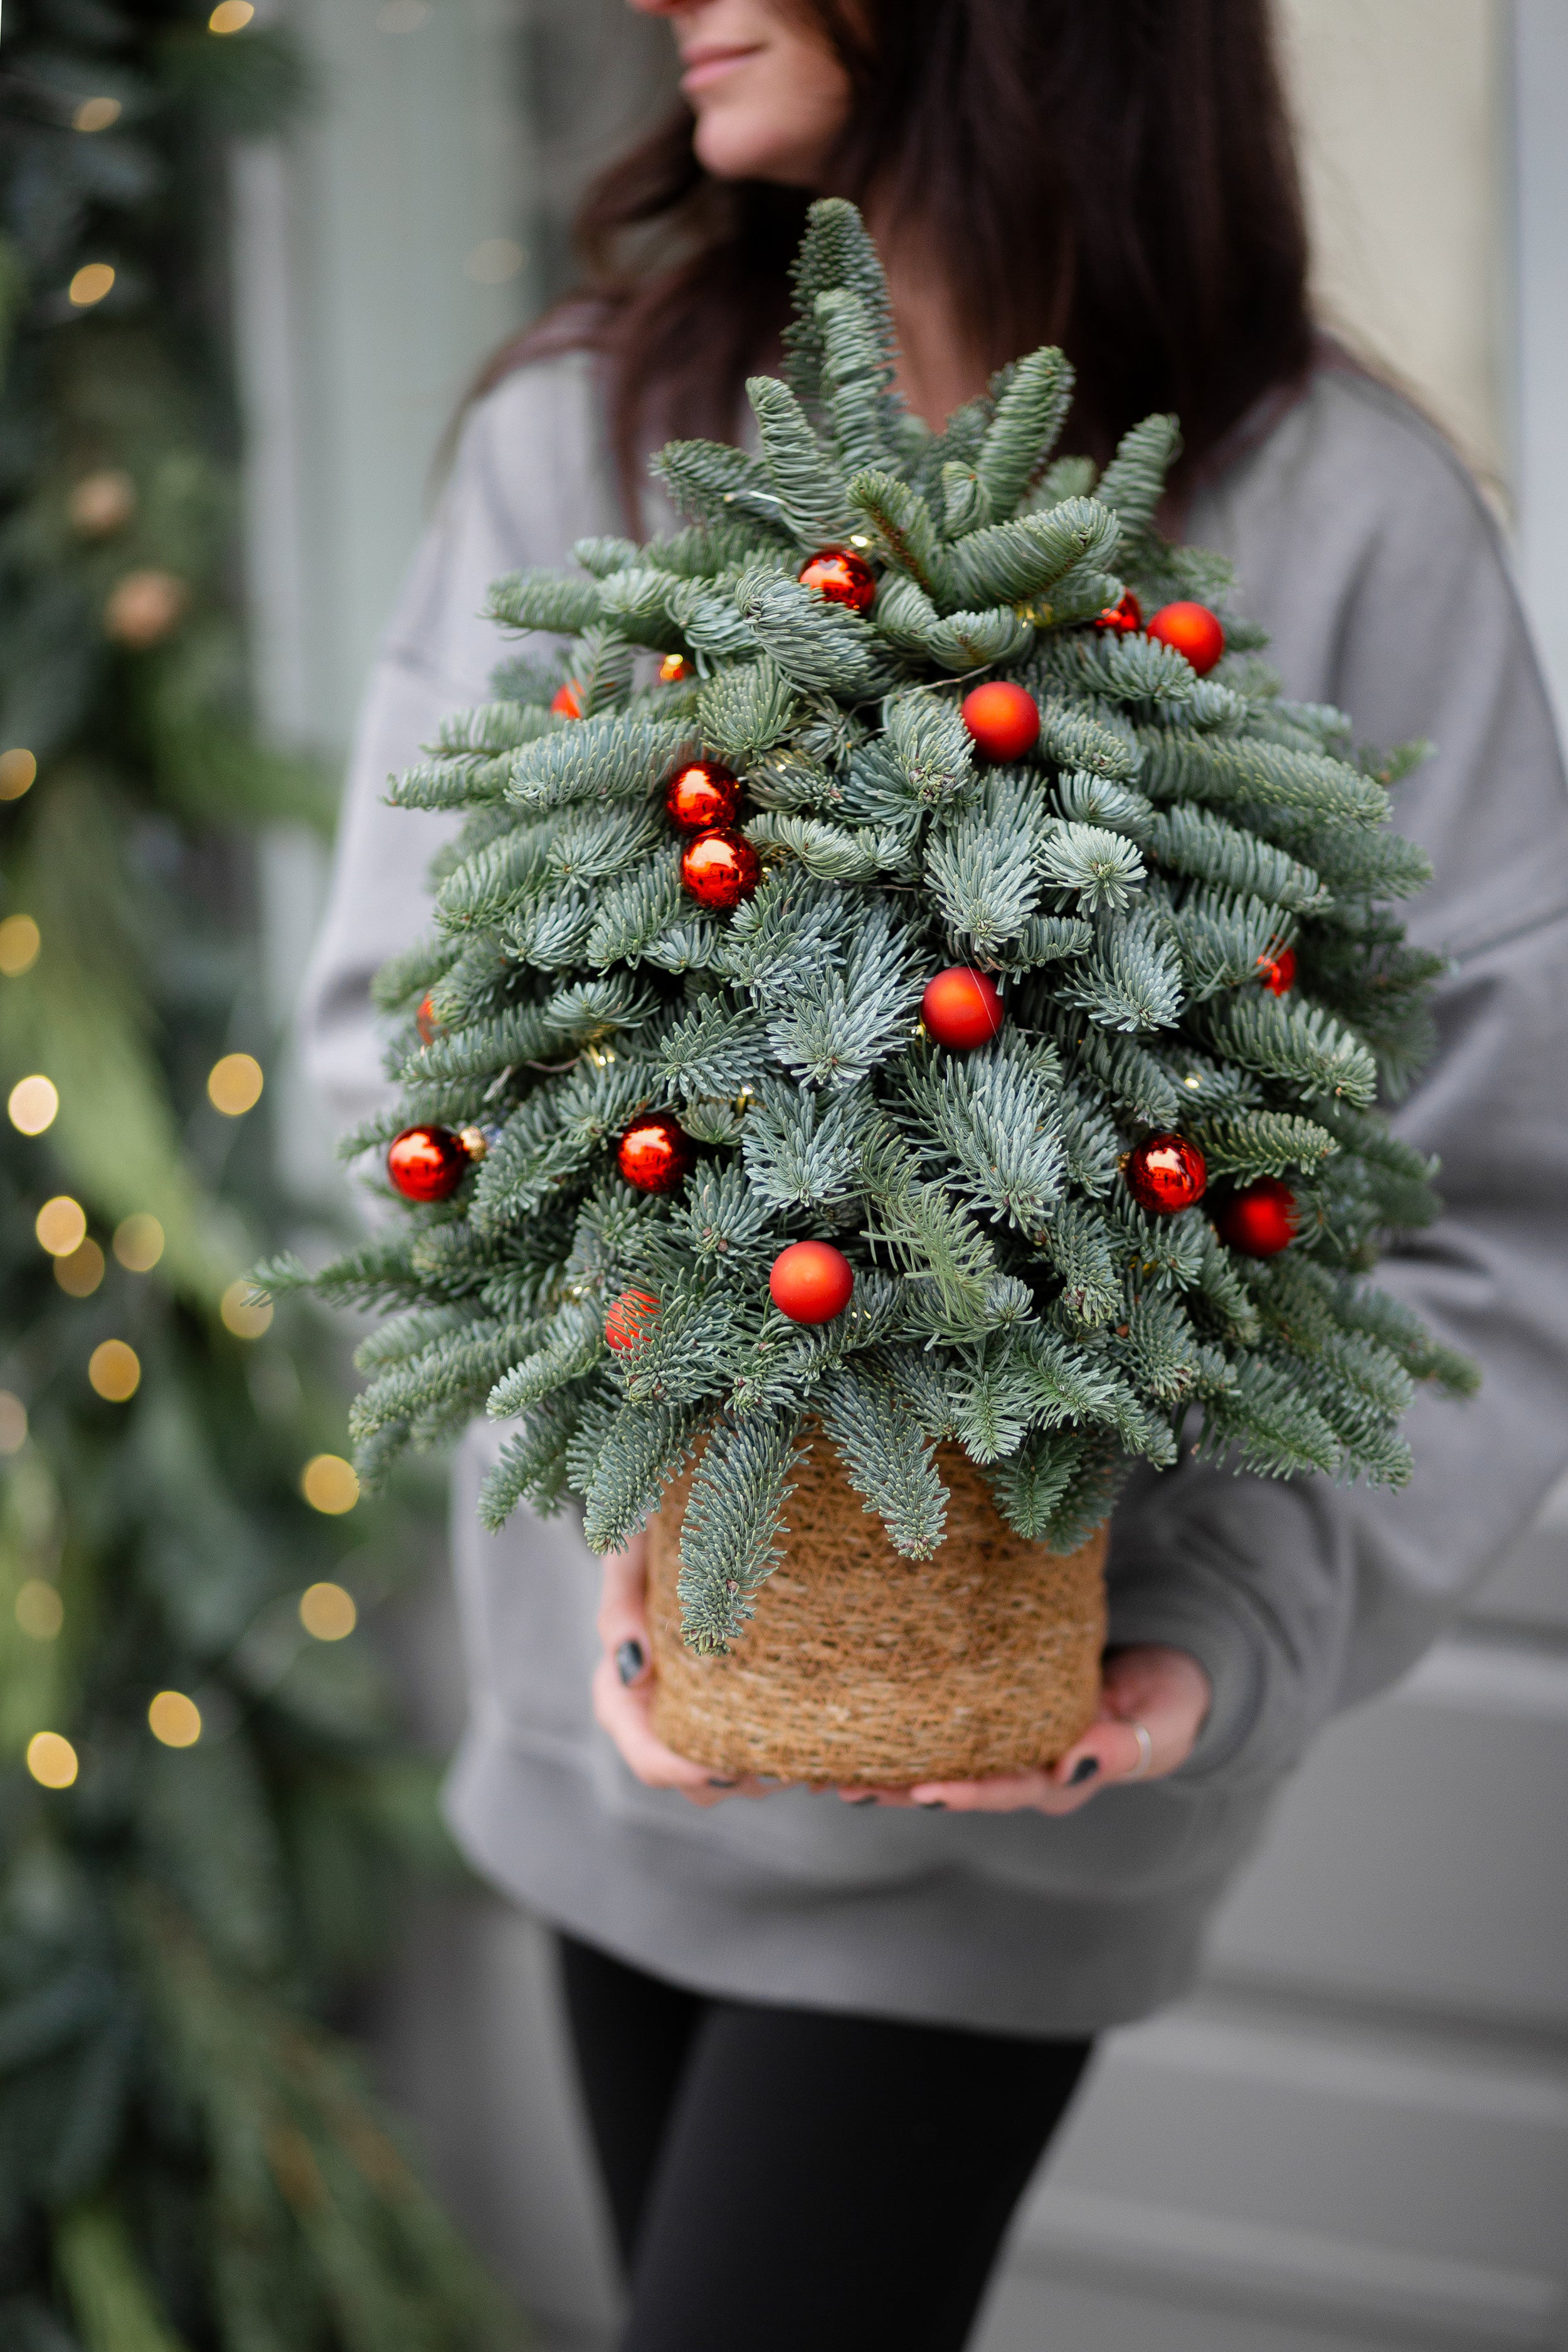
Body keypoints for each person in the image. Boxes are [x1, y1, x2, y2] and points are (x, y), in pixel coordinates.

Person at [299, 5, 1568, 2347]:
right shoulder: (582, 429)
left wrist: (1232, 1631)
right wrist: (614, 1526)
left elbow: (1504, 1207)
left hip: (1016, 1787)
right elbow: (398, 1068)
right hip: (627, 1747)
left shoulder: (1332, 505)